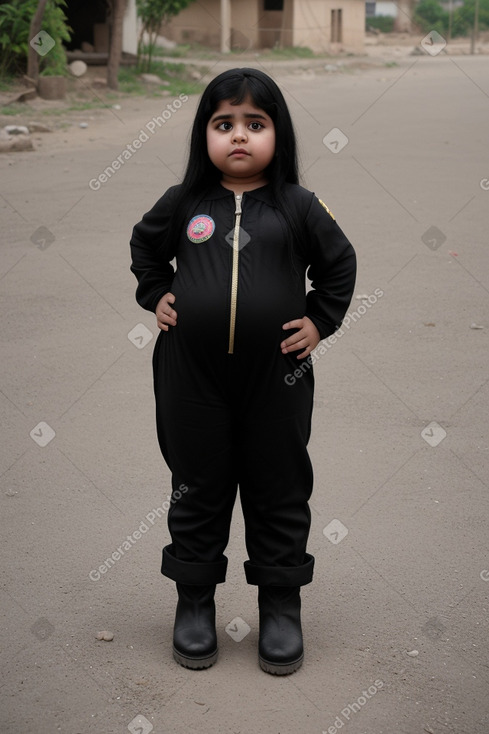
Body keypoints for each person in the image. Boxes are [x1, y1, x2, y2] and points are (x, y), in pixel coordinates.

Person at [130, 68, 356, 675]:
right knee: (197, 486)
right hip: (191, 378)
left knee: (278, 488)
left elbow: (340, 264)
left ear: (277, 134)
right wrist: (156, 292)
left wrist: (320, 321)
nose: (239, 137)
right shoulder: (183, 203)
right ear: (204, 134)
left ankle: (281, 604)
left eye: (255, 124)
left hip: (275, 380)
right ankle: (194, 601)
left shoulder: (298, 207)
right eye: (223, 124)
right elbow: (144, 247)